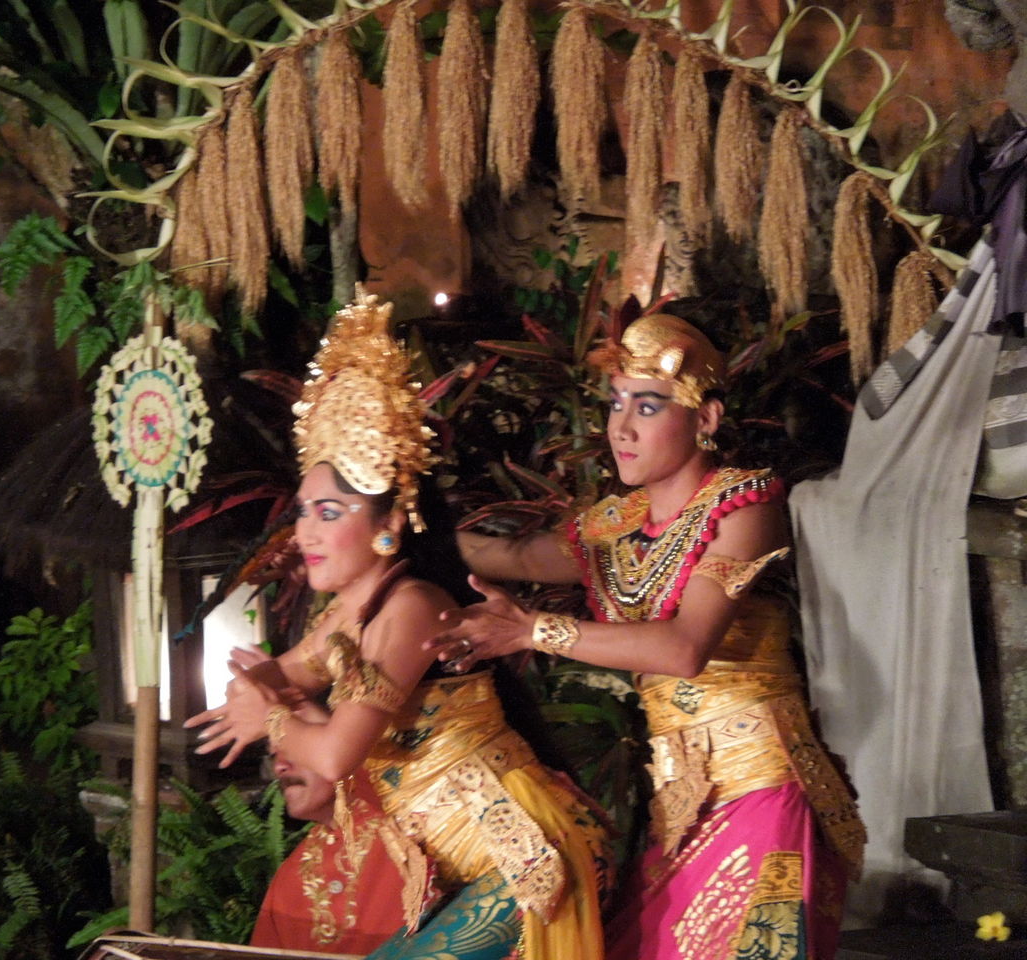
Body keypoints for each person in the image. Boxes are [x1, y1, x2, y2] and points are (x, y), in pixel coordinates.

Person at [187, 287, 610, 960]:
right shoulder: (346, 615)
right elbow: (281, 673)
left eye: (329, 513)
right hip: (474, 864)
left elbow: (334, 755)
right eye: (303, 512)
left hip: (525, 854)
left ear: (388, 524)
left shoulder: (411, 606)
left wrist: (271, 715)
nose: (305, 533)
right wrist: (261, 689)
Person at [431, 313, 866, 960]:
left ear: (706, 418)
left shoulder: (745, 507)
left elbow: (685, 648)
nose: (621, 427)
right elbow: (509, 557)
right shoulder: (614, 526)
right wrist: (399, 527)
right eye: (616, 404)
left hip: (762, 786)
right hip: (681, 801)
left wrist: (532, 630)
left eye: (648, 406)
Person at [250, 750, 436, 955]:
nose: (279, 767)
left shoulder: (414, 822)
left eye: (293, 749)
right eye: (274, 756)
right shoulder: (288, 877)